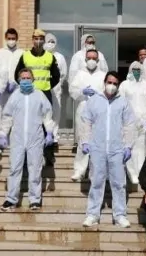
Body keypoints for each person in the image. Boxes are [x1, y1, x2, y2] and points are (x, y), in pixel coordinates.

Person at [79, 71, 136, 228]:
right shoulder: (94, 101)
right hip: (97, 148)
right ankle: (92, 214)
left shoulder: (123, 102)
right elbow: (86, 121)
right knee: (96, 181)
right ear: (104, 83)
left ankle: (120, 215)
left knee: (119, 183)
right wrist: (85, 141)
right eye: (109, 82)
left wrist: (128, 146)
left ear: (118, 85)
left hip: (117, 149)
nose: (112, 86)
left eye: (115, 83)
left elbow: (129, 124)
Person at [0, 68, 54, 212]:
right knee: (14, 169)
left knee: (35, 169)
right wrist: (3, 134)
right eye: (23, 78)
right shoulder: (15, 96)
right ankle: (11, 199)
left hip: (35, 138)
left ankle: (35, 200)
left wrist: (49, 132)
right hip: (17, 138)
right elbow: (7, 116)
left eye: (28, 78)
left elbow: (47, 115)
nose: (25, 81)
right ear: (18, 80)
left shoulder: (39, 95)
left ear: (33, 79)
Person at [14, 29, 61, 165]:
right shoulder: (25, 56)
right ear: (32, 39)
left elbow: (56, 76)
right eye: (36, 38)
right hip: (29, 93)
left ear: (44, 40)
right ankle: (26, 154)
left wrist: (48, 85)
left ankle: (48, 155)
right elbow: (17, 74)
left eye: (41, 38)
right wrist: (25, 86)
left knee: (47, 123)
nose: (38, 41)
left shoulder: (50, 57)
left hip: (45, 93)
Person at [68, 48, 106, 181]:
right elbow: (72, 90)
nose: (91, 61)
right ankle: (79, 170)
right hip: (83, 110)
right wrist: (82, 92)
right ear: (85, 60)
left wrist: (98, 93)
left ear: (98, 60)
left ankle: (95, 171)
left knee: (98, 141)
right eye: (89, 58)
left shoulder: (103, 75)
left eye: (94, 58)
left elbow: (108, 92)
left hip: (99, 111)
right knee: (82, 140)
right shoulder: (79, 74)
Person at [118, 61, 146, 185]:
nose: (136, 71)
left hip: (143, 121)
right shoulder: (124, 85)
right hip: (129, 121)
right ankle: (132, 173)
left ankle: (141, 173)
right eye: (134, 69)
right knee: (129, 147)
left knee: (142, 148)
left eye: (138, 69)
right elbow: (120, 102)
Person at [44, 32, 68, 144]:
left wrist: (58, 83)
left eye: (53, 41)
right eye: (48, 41)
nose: (50, 44)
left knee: (56, 112)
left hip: (56, 88)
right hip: (43, 88)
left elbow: (63, 73)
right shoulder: (41, 56)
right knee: (44, 111)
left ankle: (54, 134)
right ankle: (44, 133)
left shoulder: (60, 57)